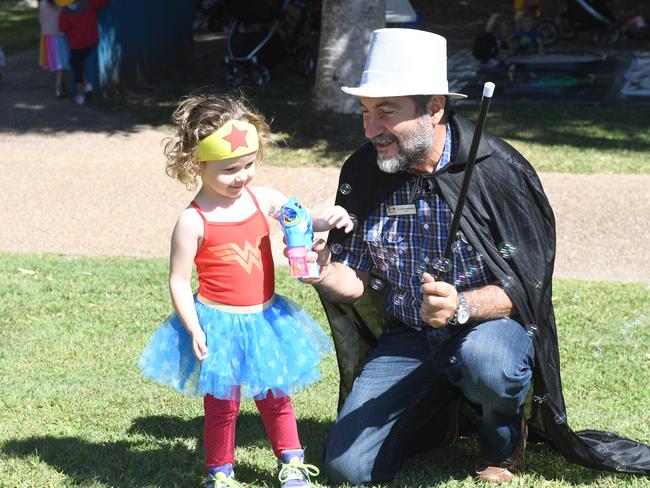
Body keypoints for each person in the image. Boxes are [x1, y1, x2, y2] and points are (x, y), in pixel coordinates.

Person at [302, 28, 650, 485]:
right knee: (346, 469)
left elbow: (528, 286)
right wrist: (322, 268)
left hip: (488, 332)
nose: (371, 129)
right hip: (407, 337)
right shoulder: (364, 170)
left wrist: (461, 306)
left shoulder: (498, 170)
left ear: (433, 108)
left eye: (386, 112)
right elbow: (357, 280)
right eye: (366, 112)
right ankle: (439, 415)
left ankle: (503, 441)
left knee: (489, 364)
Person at [137, 93, 353, 488]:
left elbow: (299, 216)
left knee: (276, 395)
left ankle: (291, 462)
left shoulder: (260, 198)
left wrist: (327, 216)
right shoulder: (193, 221)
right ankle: (220, 472)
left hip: (265, 318)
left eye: (248, 164)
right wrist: (193, 327)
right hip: (218, 323)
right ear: (195, 163)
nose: (242, 176)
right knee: (222, 404)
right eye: (229, 169)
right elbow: (179, 280)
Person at [57, 0, 108, 105]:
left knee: (77, 69)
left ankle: (80, 95)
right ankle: (87, 85)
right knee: (76, 63)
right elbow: (102, 3)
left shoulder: (65, 12)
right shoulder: (89, 3)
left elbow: (63, 29)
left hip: (76, 45)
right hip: (91, 42)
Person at [39, 0, 70, 98]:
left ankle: (61, 84)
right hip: (58, 36)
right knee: (60, 65)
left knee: (56, 64)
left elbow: (40, 19)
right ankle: (58, 89)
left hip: (47, 37)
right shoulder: (61, 3)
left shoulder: (42, 3)